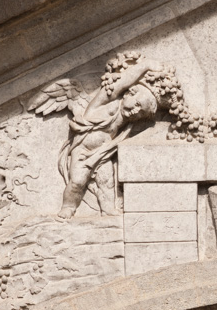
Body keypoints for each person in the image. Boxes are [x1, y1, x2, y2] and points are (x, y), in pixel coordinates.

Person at [56, 55, 165, 218]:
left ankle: (108, 211)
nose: (135, 111)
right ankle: (68, 208)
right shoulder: (105, 102)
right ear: (130, 93)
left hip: (102, 154)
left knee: (106, 183)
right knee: (77, 182)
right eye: (136, 104)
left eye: (140, 112)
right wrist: (146, 66)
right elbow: (124, 80)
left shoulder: (127, 123)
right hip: (83, 150)